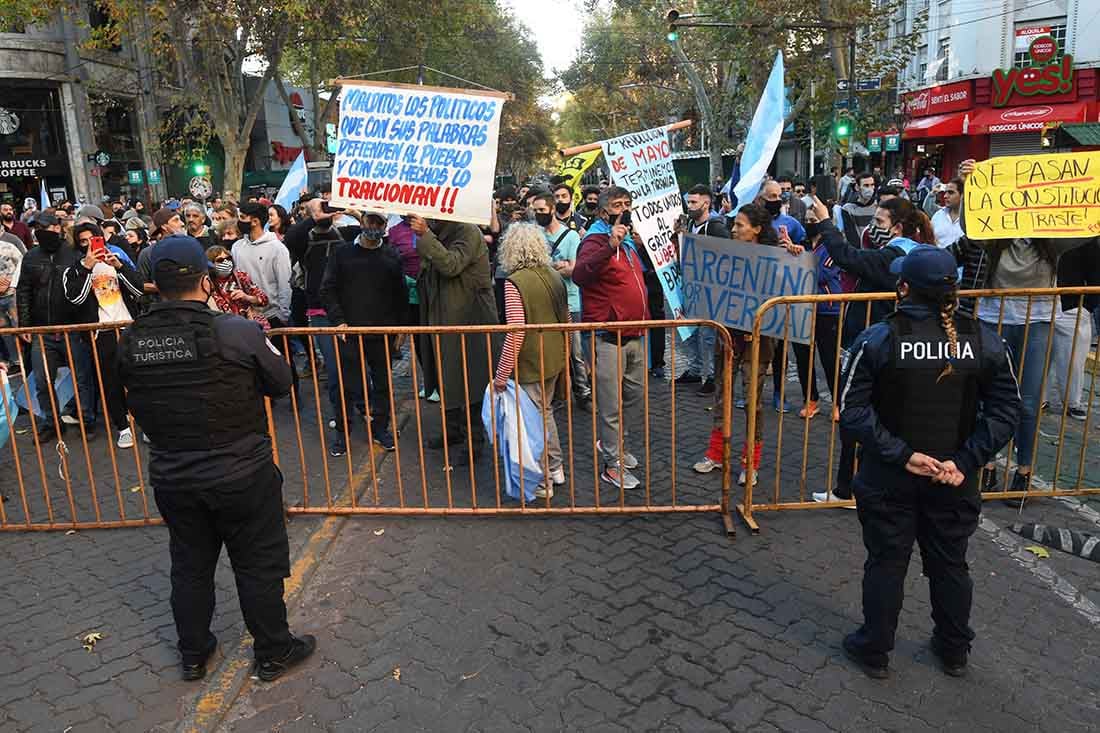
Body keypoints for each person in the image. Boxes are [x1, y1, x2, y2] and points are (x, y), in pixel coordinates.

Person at [116, 235, 314, 683]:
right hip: (241, 472)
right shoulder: (234, 330)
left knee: (189, 566)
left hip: (174, 475)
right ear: (206, 282)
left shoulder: (132, 339)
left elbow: (127, 396)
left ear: (154, 285)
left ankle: (193, 654)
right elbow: (281, 380)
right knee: (257, 565)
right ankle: (273, 651)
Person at [839, 245, 1020, 680]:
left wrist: (905, 457)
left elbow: (852, 409)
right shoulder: (984, 340)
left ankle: (876, 648)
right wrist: (964, 462)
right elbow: (1007, 412)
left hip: (891, 477)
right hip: (952, 479)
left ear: (903, 288)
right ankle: (954, 649)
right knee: (950, 562)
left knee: (887, 561)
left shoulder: (879, 338)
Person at [813, 195, 931, 505]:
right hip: (888, 342)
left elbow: (846, 256)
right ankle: (857, 486)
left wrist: (826, 221)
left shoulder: (894, 259)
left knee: (859, 417)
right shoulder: (918, 255)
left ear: (898, 227)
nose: (874, 228)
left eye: (879, 223)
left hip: (876, 347)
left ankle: (849, 489)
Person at [693, 204, 802, 484]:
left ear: (756, 229)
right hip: (727, 338)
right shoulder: (727, 255)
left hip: (758, 342)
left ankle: (749, 463)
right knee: (721, 397)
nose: (733, 229)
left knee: (753, 402)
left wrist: (793, 258)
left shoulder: (776, 259)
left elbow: (790, 288)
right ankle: (716, 454)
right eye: (734, 224)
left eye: (740, 225)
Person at [572, 186, 649, 490]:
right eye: (618, 205)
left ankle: (614, 444)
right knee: (611, 405)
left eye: (628, 203)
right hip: (607, 336)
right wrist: (608, 245)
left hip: (634, 334)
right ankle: (612, 465)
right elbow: (580, 275)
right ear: (604, 212)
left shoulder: (628, 244)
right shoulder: (595, 240)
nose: (625, 209)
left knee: (634, 396)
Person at [408, 214, 499, 453]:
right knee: (444, 375)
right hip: (442, 316)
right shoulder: (441, 231)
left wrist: (425, 235)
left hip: (469, 318)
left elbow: (450, 265)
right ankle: (453, 431)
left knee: (470, 378)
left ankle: (474, 440)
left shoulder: (468, 231)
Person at [492, 223, 570, 499]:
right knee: (545, 412)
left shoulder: (515, 283)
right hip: (554, 356)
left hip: (531, 362)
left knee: (533, 422)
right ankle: (556, 467)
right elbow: (567, 318)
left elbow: (516, 332)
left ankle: (542, 478)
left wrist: (501, 375)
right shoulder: (553, 274)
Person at [319, 211, 407, 456]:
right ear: (361, 221)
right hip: (350, 332)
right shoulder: (342, 253)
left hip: (382, 333)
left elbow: (400, 295)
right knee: (347, 385)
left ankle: (380, 428)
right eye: (371, 221)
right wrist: (339, 321)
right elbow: (328, 289)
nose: (374, 226)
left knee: (382, 384)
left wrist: (401, 328)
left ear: (385, 225)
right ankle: (342, 434)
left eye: (380, 222)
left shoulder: (391, 256)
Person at [16, 211, 99, 440]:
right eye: (36, 228)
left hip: (72, 328)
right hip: (42, 331)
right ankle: (51, 423)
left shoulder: (73, 253)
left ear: (57, 228)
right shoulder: (31, 257)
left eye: (43, 227)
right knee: (43, 381)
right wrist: (25, 325)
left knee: (82, 378)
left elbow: (83, 288)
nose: (39, 232)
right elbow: (24, 291)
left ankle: (86, 420)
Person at [64, 222, 144, 448]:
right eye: (84, 241)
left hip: (128, 326)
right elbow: (76, 300)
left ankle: (147, 423)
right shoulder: (74, 270)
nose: (90, 245)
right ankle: (123, 426)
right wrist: (87, 269)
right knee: (110, 382)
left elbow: (138, 291)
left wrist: (119, 266)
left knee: (140, 377)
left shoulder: (115, 260)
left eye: (94, 239)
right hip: (101, 333)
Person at [532, 192, 590, 407]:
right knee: (550, 351)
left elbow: (574, 269)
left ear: (552, 210)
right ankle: (556, 395)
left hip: (570, 301)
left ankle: (583, 392)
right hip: (545, 301)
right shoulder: (535, 235)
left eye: (542, 211)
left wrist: (553, 268)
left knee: (575, 352)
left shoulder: (572, 237)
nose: (538, 215)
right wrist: (558, 266)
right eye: (535, 211)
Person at [674, 184, 730, 394]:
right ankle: (697, 370)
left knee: (708, 335)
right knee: (693, 332)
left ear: (706, 203)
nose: (689, 206)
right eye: (688, 202)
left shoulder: (716, 227)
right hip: (692, 288)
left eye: (694, 202)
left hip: (710, 291)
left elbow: (727, 256)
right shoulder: (689, 224)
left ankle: (712, 377)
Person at [791, 208, 843, 420]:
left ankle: (839, 402)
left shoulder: (834, 245)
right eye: (807, 220)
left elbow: (821, 273)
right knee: (803, 356)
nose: (810, 223)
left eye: (814, 220)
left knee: (829, 358)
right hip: (802, 307)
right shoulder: (802, 243)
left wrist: (799, 258)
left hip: (826, 308)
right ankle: (810, 399)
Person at [232, 202, 292, 332]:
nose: (239, 221)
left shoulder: (277, 248)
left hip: (272, 317)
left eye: (242, 217)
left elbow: (284, 283)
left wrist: (283, 315)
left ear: (255, 221)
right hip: (246, 316)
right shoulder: (237, 247)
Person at [205, 245, 270, 329]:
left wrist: (247, 297)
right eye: (220, 260)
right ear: (211, 264)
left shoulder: (240, 276)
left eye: (228, 258)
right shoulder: (208, 284)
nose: (226, 262)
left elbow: (264, 300)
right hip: (226, 330)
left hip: (251, 326)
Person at [0, 229, 23, 373]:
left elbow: (23, 263)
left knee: (19, 326)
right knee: (4, 330)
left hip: (13, 294)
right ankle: (14, 361)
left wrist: (12, 283)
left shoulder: (9, 246)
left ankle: (25, 361)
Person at [931, 178, 964, 249]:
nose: (945, 196)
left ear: (962, 195)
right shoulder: (938, 215)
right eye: (945, 192)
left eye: (951, 192)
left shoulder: (971, 220)